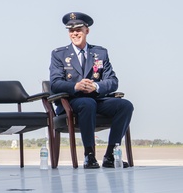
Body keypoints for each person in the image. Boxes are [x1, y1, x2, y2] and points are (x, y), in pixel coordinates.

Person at [49, 12, 134, 168]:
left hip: (96, 98)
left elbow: (113, 81)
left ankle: (110, 155)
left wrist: (96, 86)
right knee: (87, 104)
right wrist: (76, 86)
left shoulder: (100, 53)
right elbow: (55, 83)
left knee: (125, 105)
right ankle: (89, 155)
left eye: (78, 30)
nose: (75, 34)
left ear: (86, 31)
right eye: (71, 31)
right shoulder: (59, 55)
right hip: (72, 102)